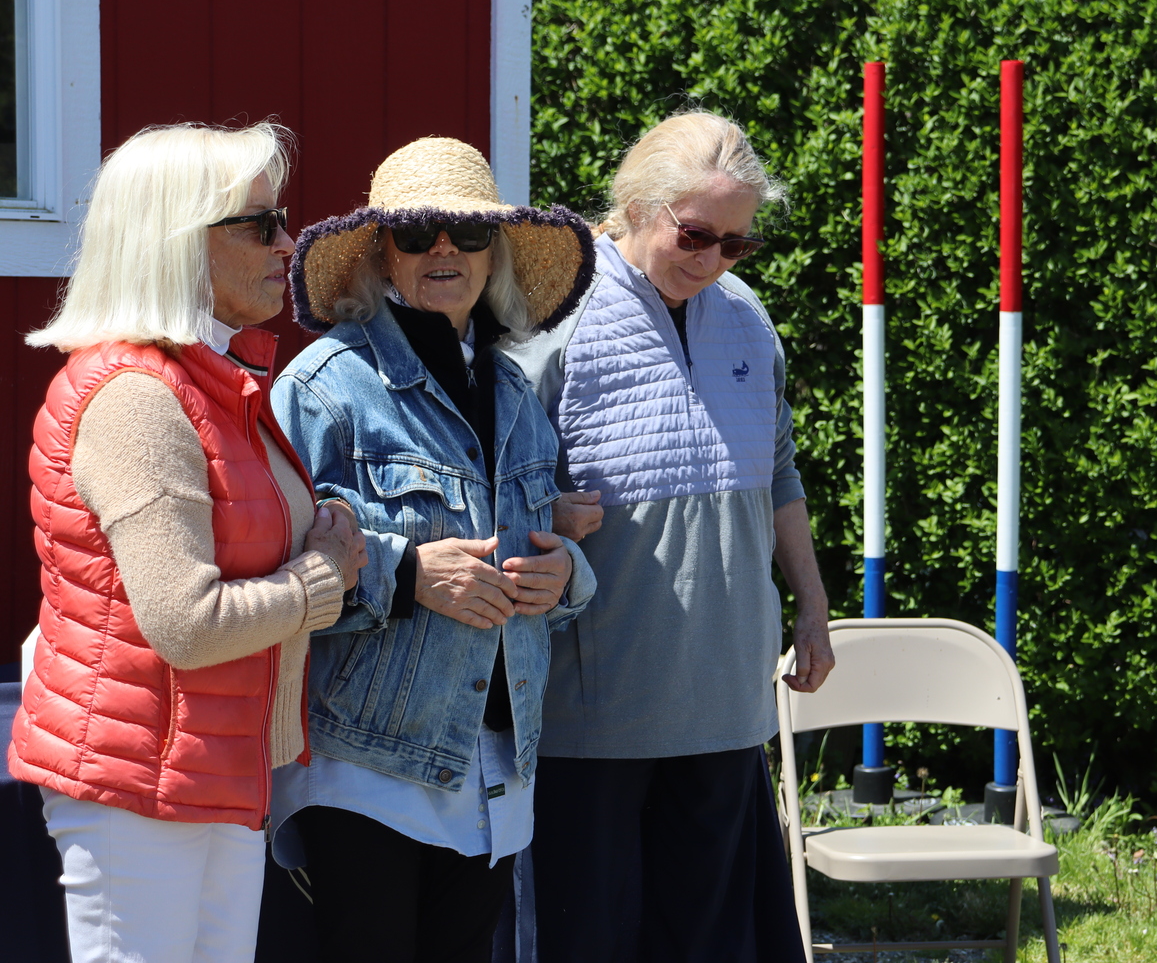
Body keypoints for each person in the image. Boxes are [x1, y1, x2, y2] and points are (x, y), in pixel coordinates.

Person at [7, 122, 366, 963]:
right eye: (258, 223)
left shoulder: (214, 383)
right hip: (135, 782)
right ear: (174, 242)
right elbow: (187, 623)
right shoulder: (137, 396)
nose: (288, 243)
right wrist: (324, 576)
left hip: (209, 767)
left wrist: (323, 538)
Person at [511, 110, 833, 963]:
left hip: (727, 698)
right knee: (591, 938)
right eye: (697, 234)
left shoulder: (748, 320)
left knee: (713, 940)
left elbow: (781, 474)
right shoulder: (554, 322)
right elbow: (489, 484)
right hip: (596, 708)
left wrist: (812, 605)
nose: (713, 260)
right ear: (637, 205)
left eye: (737, 244)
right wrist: (543, 510)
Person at [271, 136, 598, 963]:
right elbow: (274, 566)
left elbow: (541, 548)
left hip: (494, 766)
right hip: (368, 766)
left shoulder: (517, 393)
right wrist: (409, 574)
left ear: (497, 254)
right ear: (383, 254)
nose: (443, 250)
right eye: (417, 234)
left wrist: (567, 574)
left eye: (467, 234)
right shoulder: (324, 388)